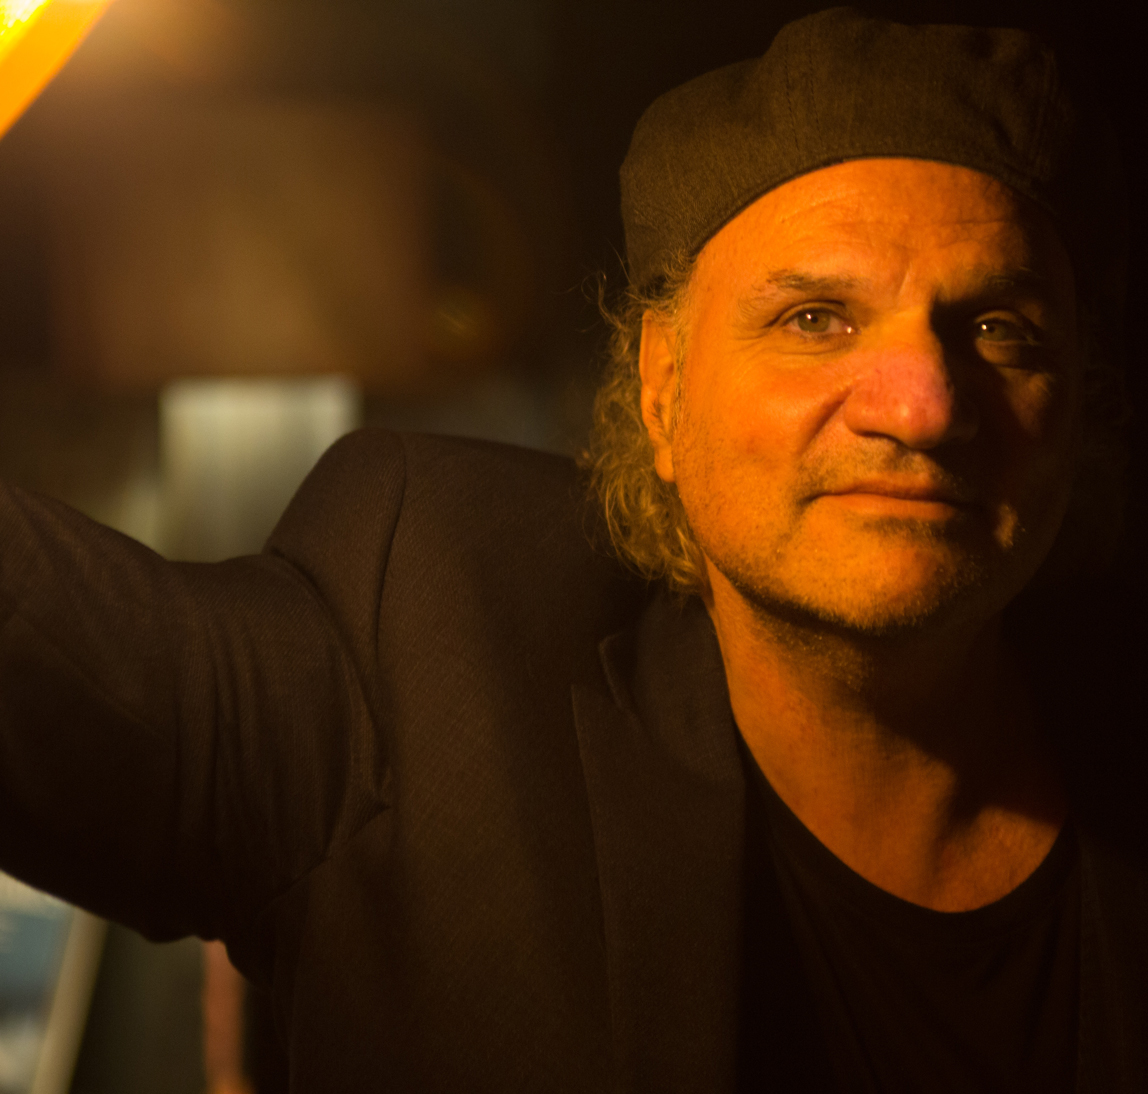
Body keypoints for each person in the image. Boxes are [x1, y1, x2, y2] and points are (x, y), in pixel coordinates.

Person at [0, 7, 1143, 1092]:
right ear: (662, 386)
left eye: (998, 329)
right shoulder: (429, 638)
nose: (922, 404)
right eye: (813, 320)